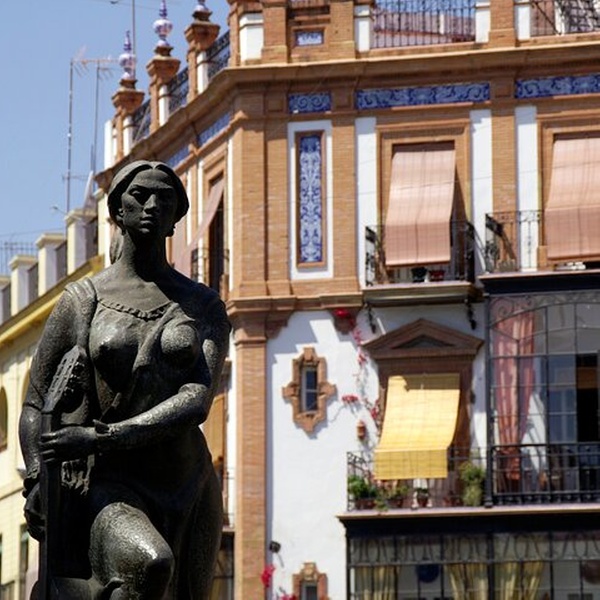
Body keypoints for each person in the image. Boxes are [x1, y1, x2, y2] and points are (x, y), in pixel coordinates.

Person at [19, 160, 230, 599]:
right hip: (109, 482)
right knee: (151, 562)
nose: (152, 206)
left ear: (177, 216)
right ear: (117, 210)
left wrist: (101, 437)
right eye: (140, 195)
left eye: (165, 198)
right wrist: (38, 476)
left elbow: (197, 399)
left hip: (188, 482)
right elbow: (36, 402)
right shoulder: (84, 300)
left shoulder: (203, 305)